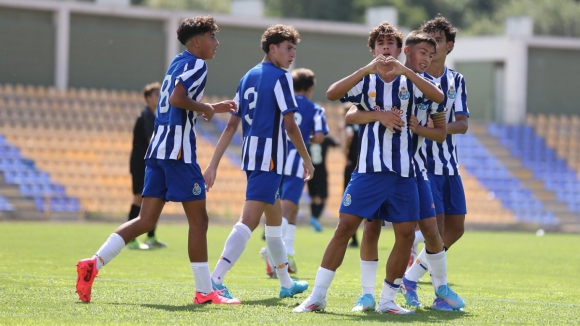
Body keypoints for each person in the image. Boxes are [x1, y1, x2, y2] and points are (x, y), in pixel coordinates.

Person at [75, 16, 240, 305]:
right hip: (178, 153)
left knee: (145, 219)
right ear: (198, 41)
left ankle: (93, 263)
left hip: (157, 150)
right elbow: (178, 99)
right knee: (199, 220)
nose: (217, 43)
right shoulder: (198, 64)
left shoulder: (178, 61)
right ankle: (204, 292)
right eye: (213, 37)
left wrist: (209, 107)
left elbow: (175, 99)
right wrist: (205, 107)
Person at [293, 22, 444, 314]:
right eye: (380, 44)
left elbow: (437, 98)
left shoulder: (410, 80)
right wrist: (378, 109)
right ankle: (317, 296)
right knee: (345, 228)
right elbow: (334, 93)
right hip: (369, 172)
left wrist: (406, 71)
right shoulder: (367, 81)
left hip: (404, 174)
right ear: (373, 49)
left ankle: (388, 300)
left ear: (400, 50)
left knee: (404, 235)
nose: (385, 48)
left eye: (391, 44)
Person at [348, 31, 464, 313]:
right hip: (381, 168)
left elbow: (441, 131)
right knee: (373, 228)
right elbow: (352, 111)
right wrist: (377, 115)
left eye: (430, 53)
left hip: (417, 168)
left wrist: (417, 128)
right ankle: (370, 294)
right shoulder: (382, 79)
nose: (428, 58)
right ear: (407, 52)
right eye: (423, 52)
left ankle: (437, 288)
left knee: (432, 230)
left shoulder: (431, 86)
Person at [203, 24, 313, 301]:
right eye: (288, 48)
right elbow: (290, 126)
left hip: (253, 156)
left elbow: (230, 127)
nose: (292, 55)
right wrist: (306, 159)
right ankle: (214, 279)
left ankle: (286, 282)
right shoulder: (281, 78)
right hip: (270, 159)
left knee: (274, 222)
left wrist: (213, 164)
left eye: (294, 49)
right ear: (272, 48)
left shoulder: (247, 76)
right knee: (249, 220)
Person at [403, 15, 470, 311]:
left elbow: (463, 123)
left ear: (449, 46)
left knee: (456, 229)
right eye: (427, 39)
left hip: (449, 164)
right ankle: (438, 293)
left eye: (438, 40)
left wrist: (439, 127)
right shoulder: (411, 78)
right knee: (436, 229)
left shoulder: (456, 80)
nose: (432, 45)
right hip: (423, 164)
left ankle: (410, 277)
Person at [260, 68, 328, 278]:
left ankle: (288, 253)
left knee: (292, 207)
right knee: (288, 204)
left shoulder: (283, 103)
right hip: (296, 160)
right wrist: (304, 137)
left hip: (274, 157)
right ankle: (274, 251)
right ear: (310, 88)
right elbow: (318, 136)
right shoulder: (315, 109)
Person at [126, 82, 166, 250]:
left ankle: (151, 237)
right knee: (138, 199)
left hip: (150, 163)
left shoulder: (155, 115)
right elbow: (152, 140)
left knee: (156, 198)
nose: (159, 97)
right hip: (140, 163)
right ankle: (130, 239)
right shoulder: (145, 116)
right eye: (156, 94)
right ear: (148, 98)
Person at [307, 135, 337, 232]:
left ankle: (314, 221)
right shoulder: (326, 139)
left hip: (310, 172)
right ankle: (315, 218)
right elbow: (337, 144)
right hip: (321, 172)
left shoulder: (308, 139)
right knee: (323, 197)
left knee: (314, 197)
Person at [343, 118, 360, 247]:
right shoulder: (364, 121)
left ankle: (353, 238)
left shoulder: (349, 123)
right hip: (366, 164)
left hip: (353, 166)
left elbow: (348, 136)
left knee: (349, 200)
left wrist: (346, 151)